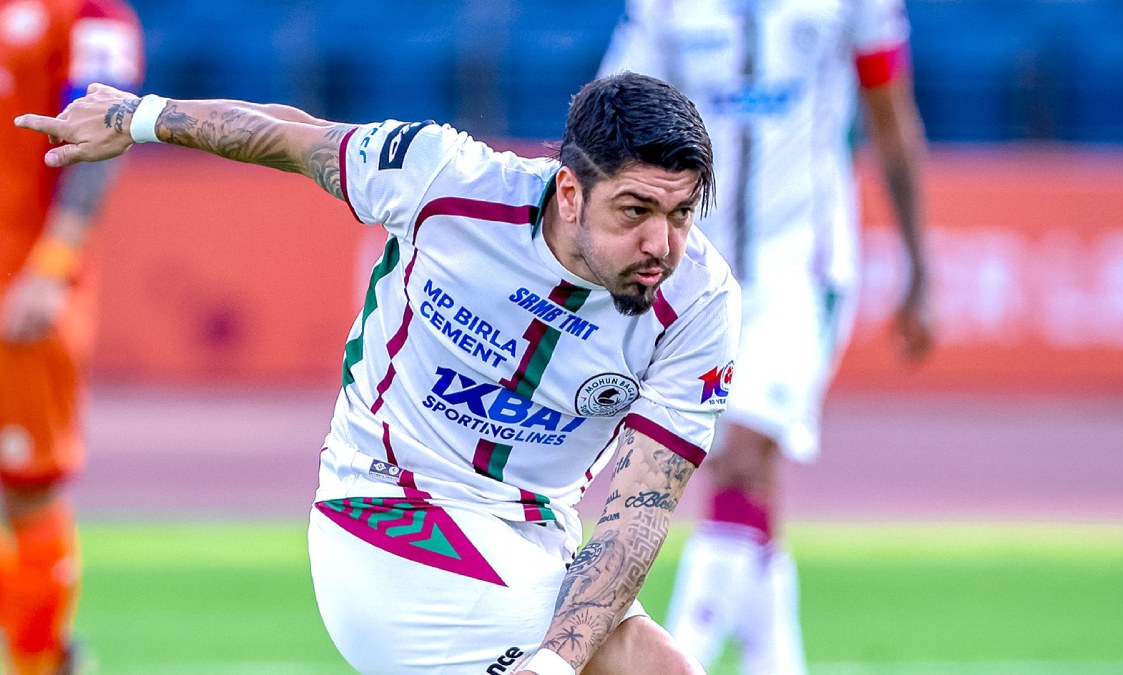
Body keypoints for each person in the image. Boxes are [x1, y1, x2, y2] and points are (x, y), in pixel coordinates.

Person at [17, 71, 740, 674]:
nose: (661, 243)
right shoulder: (446, 180)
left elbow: (640, 511)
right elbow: (289, 136)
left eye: (681, 214)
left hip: (533, 539)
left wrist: (553, 661)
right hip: (383, 515)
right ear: (571, 191)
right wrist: (139, 117)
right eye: (636, 211)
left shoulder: (701, 303)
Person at [600, 1, 934, 672]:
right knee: (737, 476)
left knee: (743, 456)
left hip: (801, 267)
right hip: (693, 268)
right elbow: (617, 118)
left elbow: (890, 116)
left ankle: (683, 657)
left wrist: (918, 266)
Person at [0, 0, 141, 672]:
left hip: (20, 284)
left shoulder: (90, 14)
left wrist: (53, 266)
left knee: (28, 486)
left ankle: (39, 661)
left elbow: (102, 138)